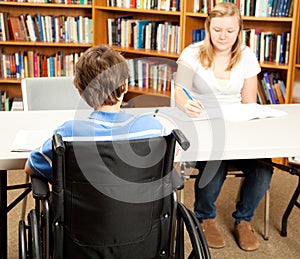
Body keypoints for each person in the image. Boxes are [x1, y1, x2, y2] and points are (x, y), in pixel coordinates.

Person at [174, 2, 273, 251]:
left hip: (237, 128)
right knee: (215, 164)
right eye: (217, 29)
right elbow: (179, 92)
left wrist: (246, 125)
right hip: (203, 128)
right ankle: (204, 218)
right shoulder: (192, 53)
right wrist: (186, 105)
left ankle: (244, 221)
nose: (223, 36)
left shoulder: (247, 55)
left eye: (230, 31)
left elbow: (250, 101)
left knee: (263, 169)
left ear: (239, 30)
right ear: (208, 27)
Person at [24, 45, 167, 182]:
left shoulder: (67, 134)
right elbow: (170, 159)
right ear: (125, 86)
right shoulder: (153, 127)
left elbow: (31, 167)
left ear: (81, 92)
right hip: (142, 206)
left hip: (79, 207)